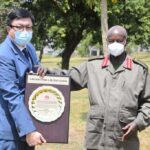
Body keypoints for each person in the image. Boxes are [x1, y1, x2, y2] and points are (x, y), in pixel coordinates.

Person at [48, 25, 150, 150]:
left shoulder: (139, 70)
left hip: (124, 140)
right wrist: (46, 73)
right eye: (111, 41)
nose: (115, 44)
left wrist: (138, 123)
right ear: (107, 42)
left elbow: (148, 102)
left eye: (119, 40)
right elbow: (67, 77)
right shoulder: (93, 66)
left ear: (126, 41)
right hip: (97, 139)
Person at [0, 8, 47, 150]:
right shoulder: (3, 54)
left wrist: (41, 68)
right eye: (19, 27)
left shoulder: (29, 48)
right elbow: (12, 95)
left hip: (28, 122)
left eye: (28, 27)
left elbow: (32, 72)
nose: (25, 31)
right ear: (9, 29)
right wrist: (29, 131)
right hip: (10, 132)